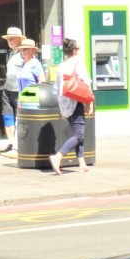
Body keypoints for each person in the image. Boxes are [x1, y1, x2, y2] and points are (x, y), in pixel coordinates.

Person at [48, 38, 94, 175]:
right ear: (74, 50)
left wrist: (62, 104)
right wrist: (90, 101)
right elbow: (85, 80)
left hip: (66, 103)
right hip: (77, 100)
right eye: (78, 48)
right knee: (79, 134)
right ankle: (58, 157)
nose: (78, 51)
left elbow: (57, 87)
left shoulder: (61, 65)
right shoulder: (77, 62)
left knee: (76, 132)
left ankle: (82, 163)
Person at [0, 26, 25, 153]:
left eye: (12, 39)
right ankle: (10, 143)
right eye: (8, 39)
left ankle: (19, 143)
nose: (9, 41)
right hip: (7, 88)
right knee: (7, 115)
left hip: (18, 90)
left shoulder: (23, 53)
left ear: (19, 39)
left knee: (20, 116)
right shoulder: (10, 53)